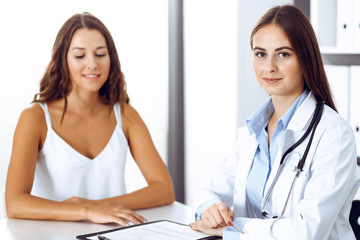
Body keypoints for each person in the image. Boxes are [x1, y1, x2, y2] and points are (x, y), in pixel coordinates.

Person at [190, 5, 360, 239]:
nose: (269, 67)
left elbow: (307, 231)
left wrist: (233, 228)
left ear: (306, 59)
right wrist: (210, 209)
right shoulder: (254, 131)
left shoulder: (334, 134)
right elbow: (206, 190)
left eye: (283, 54)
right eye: (260, 54)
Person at [5, 12, 175, 225]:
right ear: (63, 60)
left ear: (111, 58)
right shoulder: (35, 118)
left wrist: (99, 207)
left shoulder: (124, 114)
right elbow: (14, 203)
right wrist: (86, 211)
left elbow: (164, 189)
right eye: (79, 55)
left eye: (101, 54)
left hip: (112, 234)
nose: (92, 64)